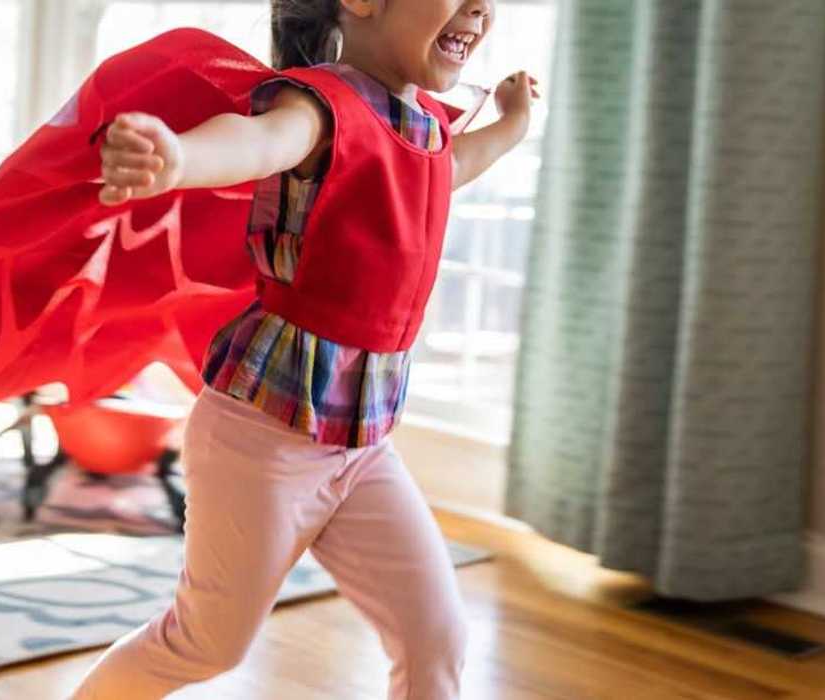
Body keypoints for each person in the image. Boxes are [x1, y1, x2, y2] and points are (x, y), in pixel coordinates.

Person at [70, 0, 537, 698]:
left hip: (360, 443)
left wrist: (512, 126)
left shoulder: (424, 129)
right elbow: (258, 143)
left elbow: (449, 167)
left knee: (435, 636)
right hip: (261, 440)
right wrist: (180, 157)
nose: (481, 7)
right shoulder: (322, 103)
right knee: (206, 644)